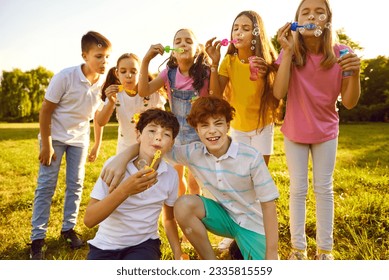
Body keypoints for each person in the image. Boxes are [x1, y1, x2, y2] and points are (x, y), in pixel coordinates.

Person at [100, 96, 279, 260]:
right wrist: (121, 158)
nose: (212, 131)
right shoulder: (193, 152)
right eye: (204, 126)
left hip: (253, 223)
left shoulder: (251, 156)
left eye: (218, 124)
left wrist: (271, 253)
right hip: (223, 217)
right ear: (197, 130)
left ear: (227, 126)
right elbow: (156, 146)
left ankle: (239, 248)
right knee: (183, 204)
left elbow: (269, 205)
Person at [274, 0, 361, 260]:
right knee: (298, 189)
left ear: (328, 20)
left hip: (326, 133)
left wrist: (354, 73)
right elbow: (279, 92)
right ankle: (298, 249)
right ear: (296, 22)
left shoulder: (342, 52)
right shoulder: (289, 53)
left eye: (319, 12)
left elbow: (349, 102)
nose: (312, 16)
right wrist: (287, 52)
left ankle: (325, 250)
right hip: (295, 132)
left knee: (324, 188)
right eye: (306, 12)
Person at [29, 31, 112, 260]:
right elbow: (45, 111)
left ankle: (68, 229)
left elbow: (98, 117)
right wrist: (46, 144)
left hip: (79, 139)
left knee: (75, 184)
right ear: (85, 55)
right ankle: (37, 238)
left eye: (107, 57)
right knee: (47, 185)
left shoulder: (104, 82)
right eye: (99, 56)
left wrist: (96, 144)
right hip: (54, 137)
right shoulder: (64, 77)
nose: (104, 62)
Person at [205, 10, 282, 251]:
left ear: (257, 34)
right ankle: (234, 230)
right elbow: (216, 95)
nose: (239, 32)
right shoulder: (228, 61)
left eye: (246, 28)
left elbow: (279, 94)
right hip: (237, 129)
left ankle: (257, 227)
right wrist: (213, 62)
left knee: (257, 183)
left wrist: (269, 70)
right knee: (237, 183)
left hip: (262, 129)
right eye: (236, 27)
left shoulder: (268, 61)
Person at [84, 108, 185, 260]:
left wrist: (177, 252)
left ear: (171, 143)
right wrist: (125, 190)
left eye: (166, 134)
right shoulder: (114, 167)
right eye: (152, 131)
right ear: (138, 134)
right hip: (105, 245)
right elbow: (89, 220)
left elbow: (169, 218)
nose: (158, 138)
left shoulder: (170, 175)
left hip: (144, 245)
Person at [138, 28, 211, 196]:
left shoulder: (206, 73)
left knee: (195, 186)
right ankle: (179, 217)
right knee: (177, 184)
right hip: (175, 137)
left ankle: (194, 217)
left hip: (198, 139)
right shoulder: (168, 74)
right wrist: (145, 61)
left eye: (188, 41)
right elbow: (143, 91)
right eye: (178, 42)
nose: (183, 44)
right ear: (172, 51)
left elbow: (216, 96)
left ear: (197, 49)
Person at [97, 53, 166, 154]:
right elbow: (101, 122)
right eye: (123, 71)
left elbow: (164, 120)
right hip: (125, 147)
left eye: (133, 72)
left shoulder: (153, 94)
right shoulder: (115, 94)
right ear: (117, 74)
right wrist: (111, 102)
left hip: (150, 146)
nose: (128, 75)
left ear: (142, 73)